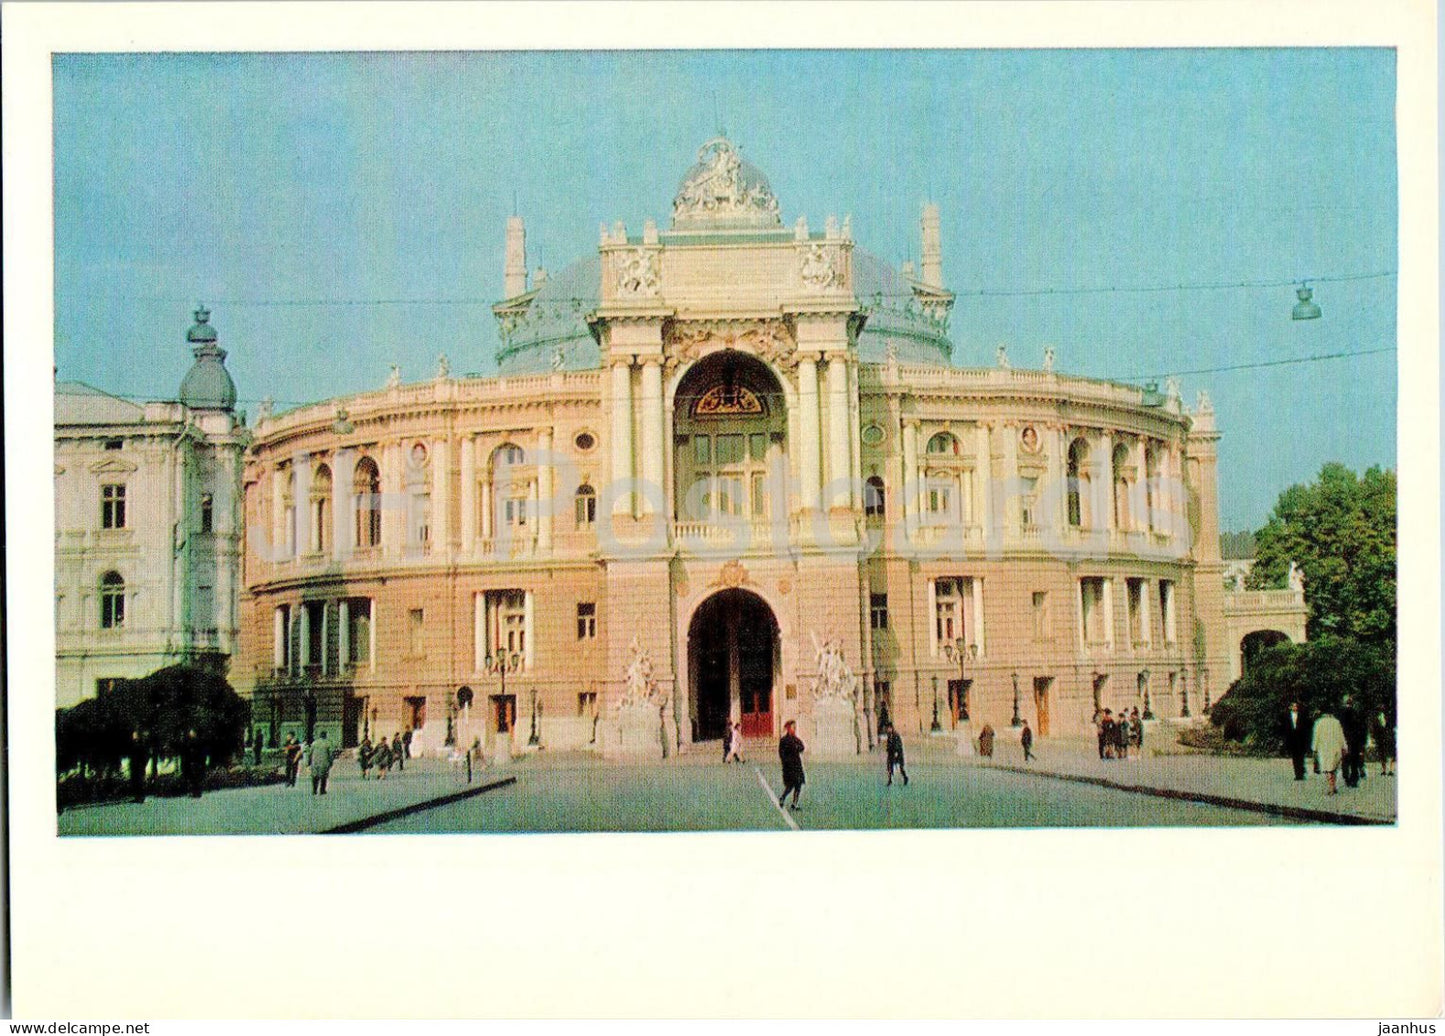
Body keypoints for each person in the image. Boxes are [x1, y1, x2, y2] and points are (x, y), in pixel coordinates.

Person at [1311, 710, 1347, 796]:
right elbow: (1341, 735)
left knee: (1327, 769)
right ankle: (1333, 786)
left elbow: (1316, 736)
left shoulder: (1319, 723)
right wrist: (1344, 747)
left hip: (1324, 748)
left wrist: (1314, 748)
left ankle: (1331, 787)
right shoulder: (1336, 722)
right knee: (1334, 768)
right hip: (1336, 748)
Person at [778, 720, 806, 810]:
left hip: (797, 765)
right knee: (790, 785)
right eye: (793, 728)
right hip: (789, 766)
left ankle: (794, 803)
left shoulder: (796, 739)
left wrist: (798, 747)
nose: (795, 729)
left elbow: (802, 747)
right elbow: (781, 753)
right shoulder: (784, 740)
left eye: (795, 728)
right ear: (789, 729)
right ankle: (783, 797)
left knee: (798, 784)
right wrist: (785, 762)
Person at [1283, 701, 1310, 780]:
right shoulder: (1287, 716)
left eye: (1296, 706)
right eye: (1293, 706)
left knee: (1301, 757)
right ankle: (1297, 774)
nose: (1295, 708)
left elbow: (1306, 728)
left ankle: (1301, 773)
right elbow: (1285, 728)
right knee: (1295, 758)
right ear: (1291, 707)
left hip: (1301, 739)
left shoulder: (1302, 716)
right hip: (1292, 739)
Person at [308, 730, 337, 795]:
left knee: (315, 776)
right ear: (325, 735)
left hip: (315, 762)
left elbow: (310, 753)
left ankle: (314, 790)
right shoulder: (328, 743)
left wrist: (309, 762)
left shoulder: (314, 743)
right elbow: (331, 754)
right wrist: (331, 762)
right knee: (323, 777)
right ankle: (322, 790)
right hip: (324, 762)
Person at [181, 728, 206, 798]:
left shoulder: (199, 742)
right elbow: (185, 754)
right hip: (190, 763)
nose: (192, 734)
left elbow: (202, 754)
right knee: (191, 778)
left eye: (193, 733)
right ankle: (193, 792)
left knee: (196, 778)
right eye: (191, 733)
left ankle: (197, 792)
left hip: (197, 763)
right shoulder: (187, 743)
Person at [127, 729, 149, 803]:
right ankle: (137, 796)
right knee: (135, 781)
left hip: (139, 766)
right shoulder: (134, 745)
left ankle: (141, 797)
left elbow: (145, 756)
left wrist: (142, 764)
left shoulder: (141, 745)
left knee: (140, 781)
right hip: (134, 766)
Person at [1372, 708, 1395, 777]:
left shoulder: (1376, 720)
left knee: (1383, 755)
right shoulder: (1389, 719)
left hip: (1382, 739)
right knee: (1390, 754)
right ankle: (1390, 770)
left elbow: (1375, 731)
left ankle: (1385, 770)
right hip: (1387, 739)